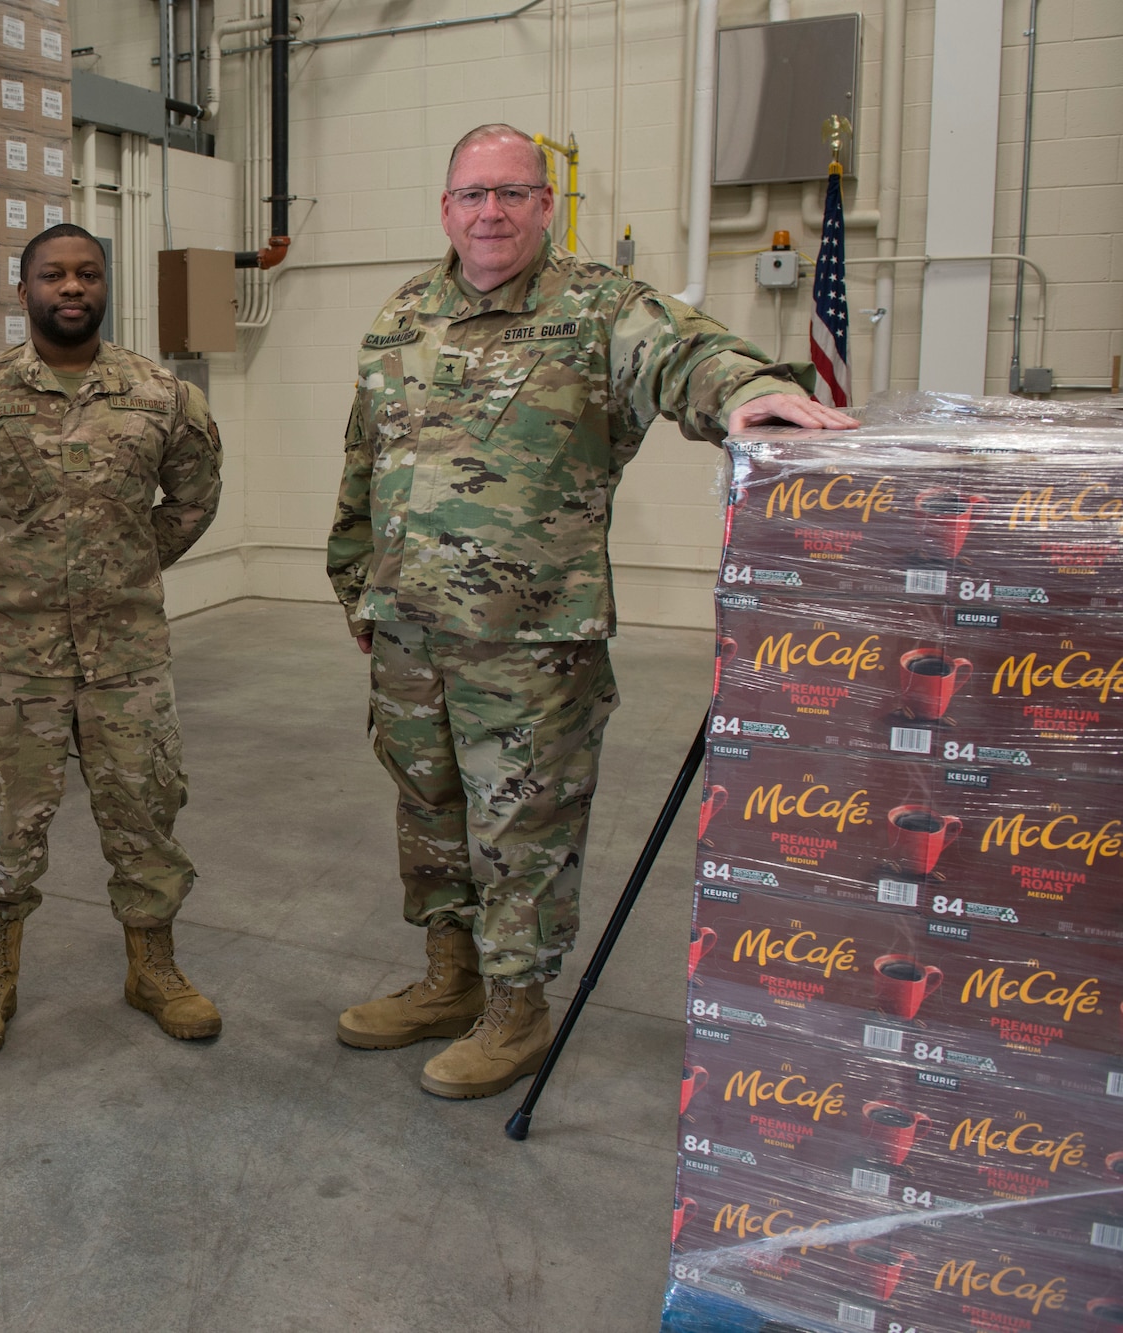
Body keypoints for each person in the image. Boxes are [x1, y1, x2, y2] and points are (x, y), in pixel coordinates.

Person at [328, 123, 857, 1101]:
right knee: (429, 813)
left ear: (543, 204)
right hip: (407, 632)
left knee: (519, 829)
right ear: (445, 209)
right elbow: (365, 456)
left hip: (528, 643)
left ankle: (515, 1010)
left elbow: (686, 354)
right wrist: (352, 578)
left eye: (511, 193)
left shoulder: (598, 307)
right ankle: (450, 979)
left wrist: (745, 394)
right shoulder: (401, 315)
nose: (490, 211)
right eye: (471, 195)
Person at [0, 223, 225, 1055]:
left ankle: (153, 968)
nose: (71, 288)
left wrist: (128, 568)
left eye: (86, 274)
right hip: (15, 659)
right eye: (53, 275)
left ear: (106, 286)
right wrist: (0, 570)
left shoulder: (163, 396)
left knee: (146, 811)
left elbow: (193, 499)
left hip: (127, 658)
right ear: (23, 291)